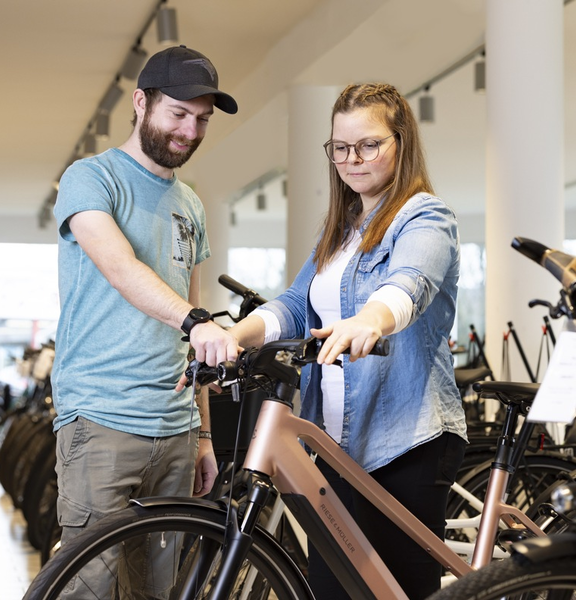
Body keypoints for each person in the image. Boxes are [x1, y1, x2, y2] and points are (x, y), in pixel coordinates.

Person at [216, 82, 468, 599]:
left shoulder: (425, 217)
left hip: (405, 438)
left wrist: (371, 320)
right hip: (333, 444)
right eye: (340, 148)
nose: (352, 160)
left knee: (395, 591)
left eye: (369, 145)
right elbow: (293, 305)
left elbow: (409, 286)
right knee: (333, 590)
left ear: (401, 142)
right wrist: (232, 337)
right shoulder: (343, 230)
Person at [50, 45, 241, 596]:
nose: (190, 129)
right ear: (140, 103)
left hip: (176, 431)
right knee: (89, 589)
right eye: (178, 113)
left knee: (160, 592)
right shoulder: (90, 178)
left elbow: (193, 334)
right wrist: (198, 321)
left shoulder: (191, 204)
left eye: (202, 119)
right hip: (102, 421)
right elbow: (120, 268)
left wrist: (203, 434)